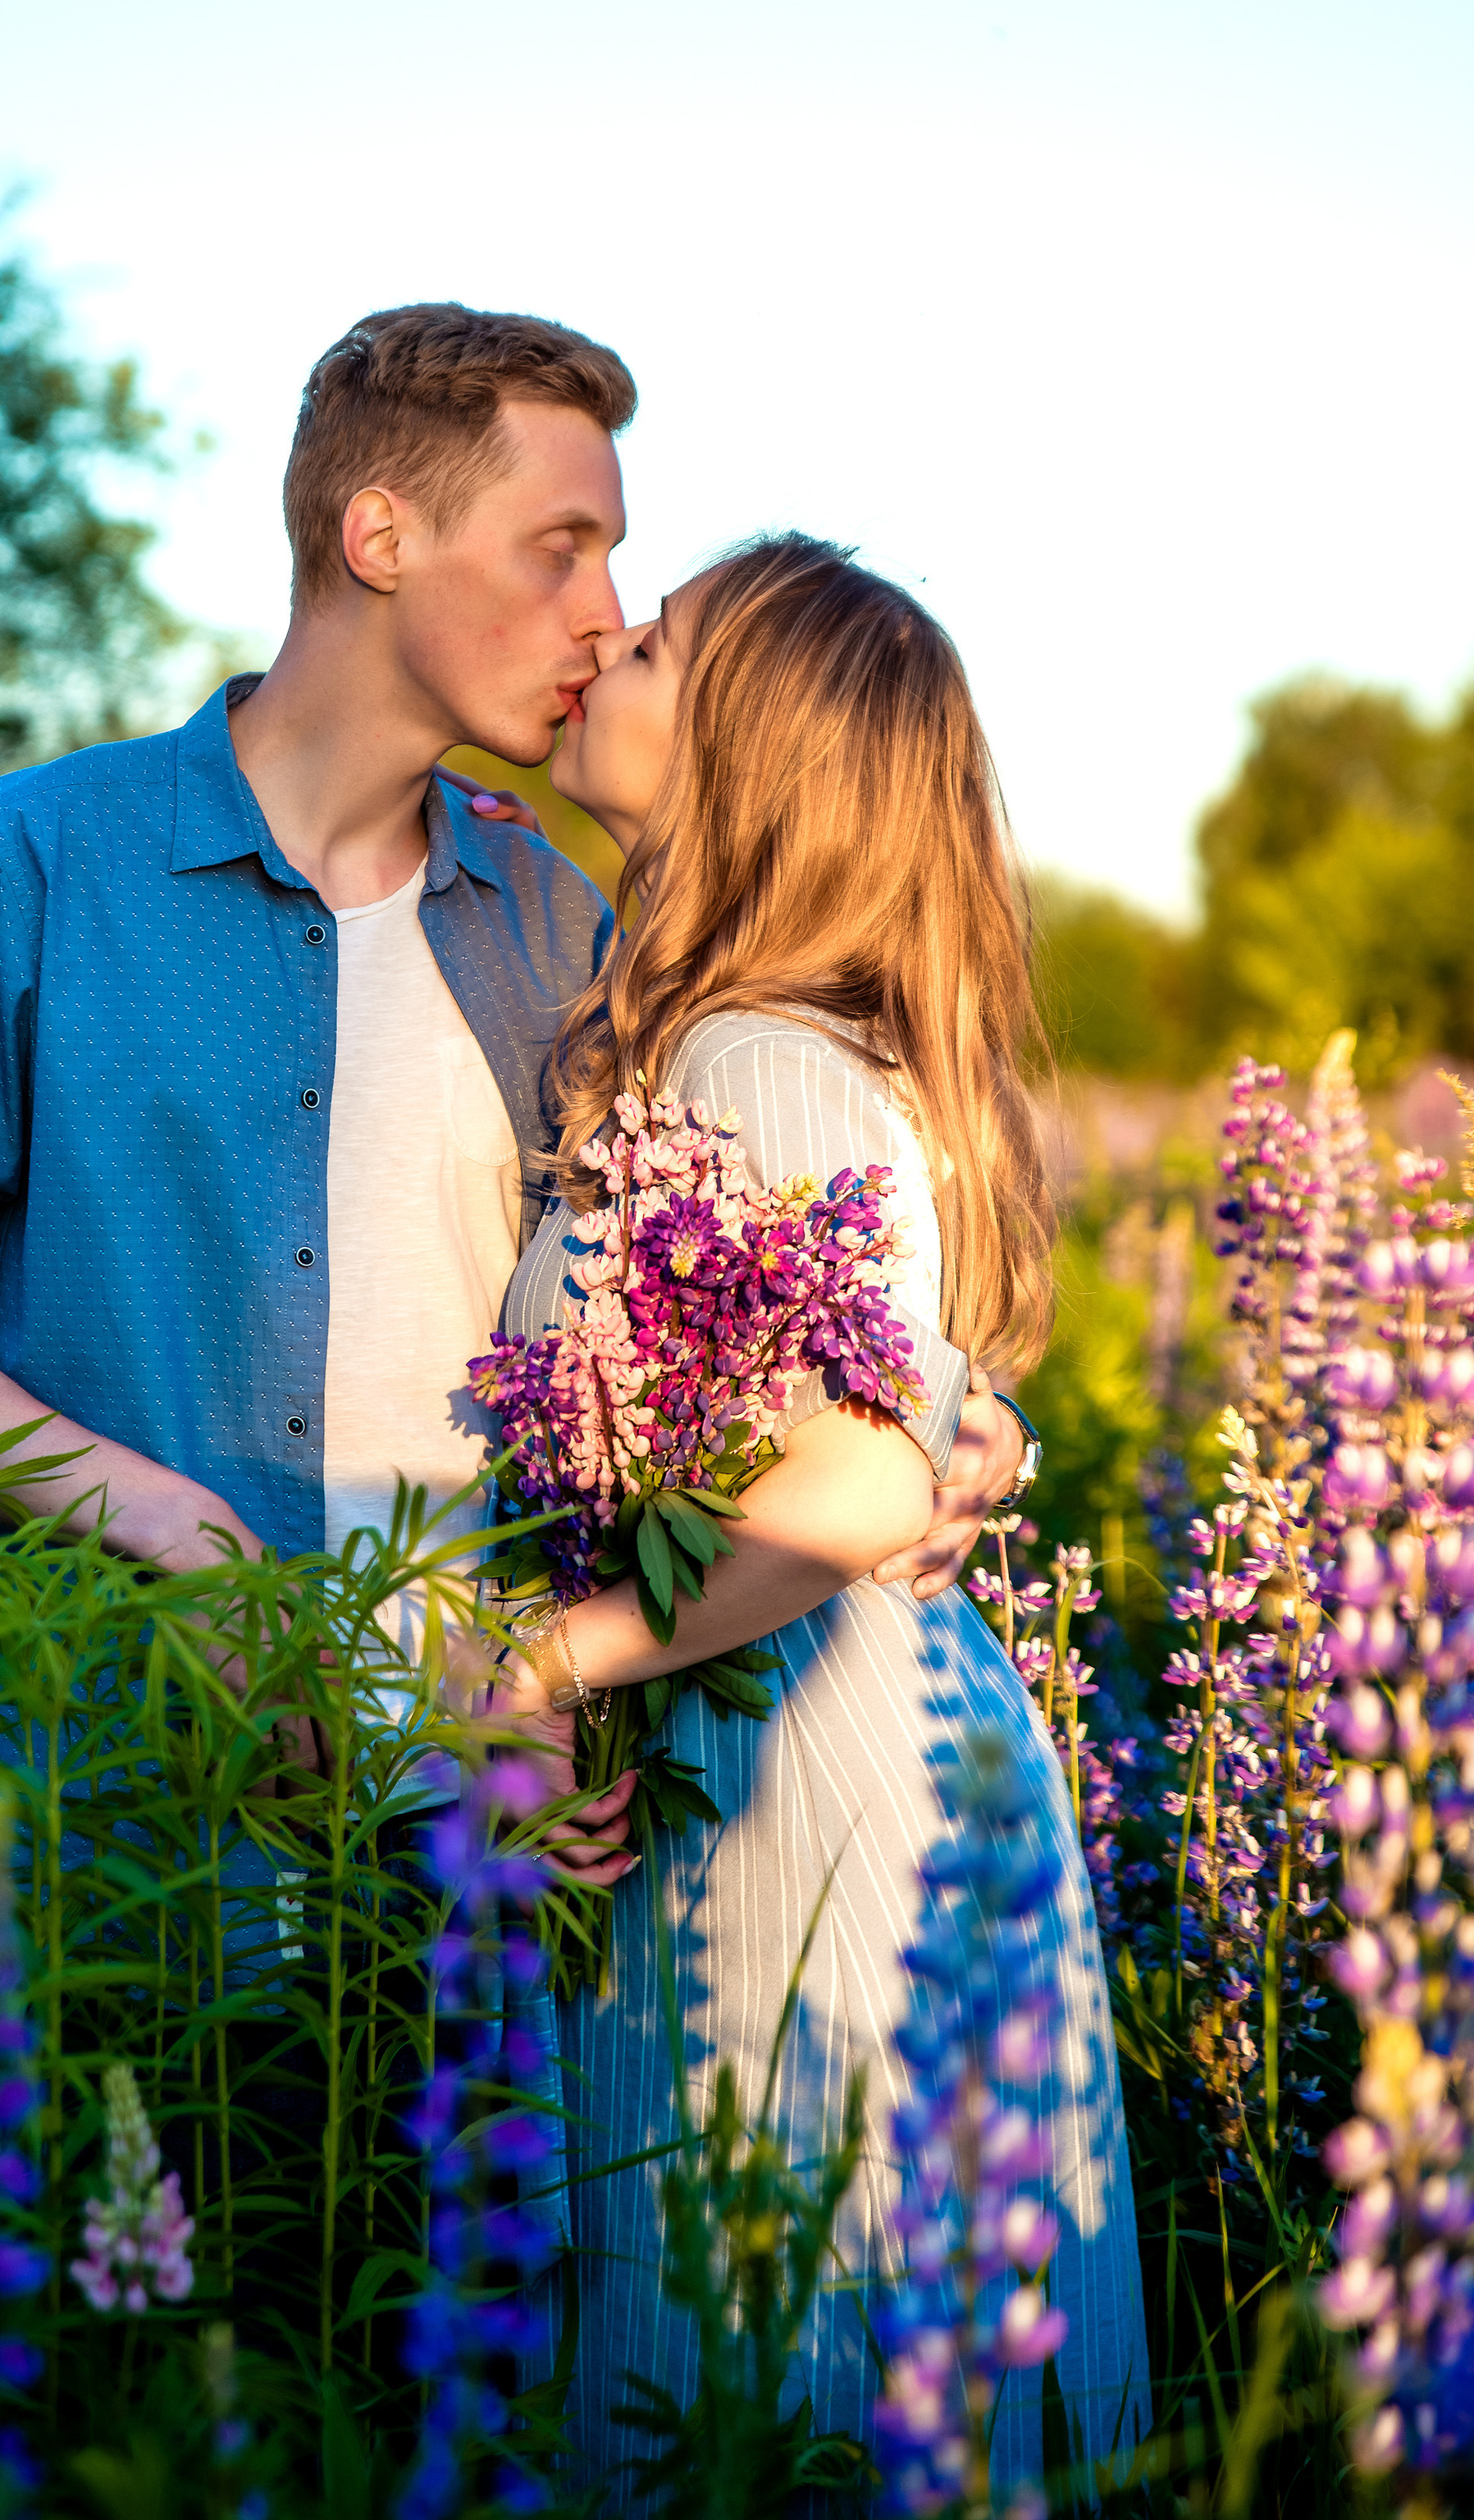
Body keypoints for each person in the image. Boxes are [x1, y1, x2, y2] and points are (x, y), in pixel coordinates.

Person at [0, 312, 1024, 1828]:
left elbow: (742, 1302)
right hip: (106, 1819)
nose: (603, 614)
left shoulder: (572, 929)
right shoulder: (30, 859)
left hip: (463, 1839)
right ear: (381, 535)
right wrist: (172, 1526)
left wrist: (958, 1423)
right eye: (558, 550)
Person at [489, 534, 1149, 2497]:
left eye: (660, 636)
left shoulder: (753, 1056)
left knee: (794, 2358)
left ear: (750, 750)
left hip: (804, 1773)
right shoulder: (754, 1039)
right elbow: (895, 1415)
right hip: (789, 1738)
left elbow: (859, 1471)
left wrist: (561, 1651)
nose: (610, 637)